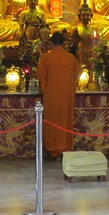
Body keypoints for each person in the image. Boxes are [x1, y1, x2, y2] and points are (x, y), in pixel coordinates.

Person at [36, 32, 82, 161]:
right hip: (66, 96)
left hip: (51, 96)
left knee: (52, 122)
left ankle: (54, 152)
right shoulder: (71, 58)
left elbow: (40, 76)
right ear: (64, 43)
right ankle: (65, 149)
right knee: (65, 121)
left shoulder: (46, 58)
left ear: (51, 43)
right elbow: (77, 76)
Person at [70, 0, 98, 67]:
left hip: (91, 53)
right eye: (83, 15)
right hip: (80, 53)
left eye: (88, 15)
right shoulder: (76, 29)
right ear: (79, 16)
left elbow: (97, 43)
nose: (86, 17)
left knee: (91, 69)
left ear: (91, 16)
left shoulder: (94, 29)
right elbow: (72, 45)